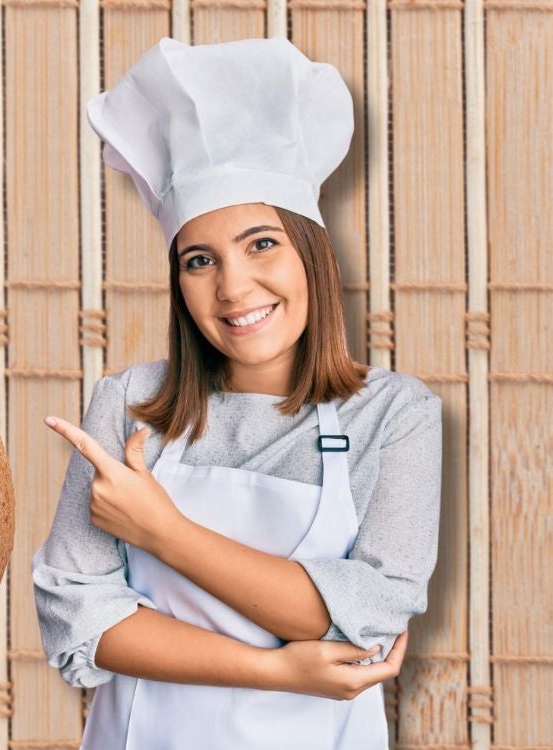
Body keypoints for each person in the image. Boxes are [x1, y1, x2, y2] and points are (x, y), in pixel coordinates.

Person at [31, 37, 443, 749]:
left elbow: (364, 616)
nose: (233, 287)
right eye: (200, 260)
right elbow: (79, 619)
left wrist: (165, 533)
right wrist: (277, 671)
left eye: (261, 244)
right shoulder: (129, 403)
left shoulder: (394, 415)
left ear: (311, 253)